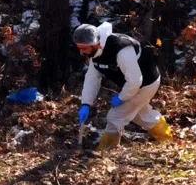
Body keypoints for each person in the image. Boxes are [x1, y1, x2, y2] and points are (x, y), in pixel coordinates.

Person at [74, 22, 173, 150]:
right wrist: (86, 103)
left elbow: (135, 81)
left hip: (146, 83)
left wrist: (122, 97)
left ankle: (106, 151)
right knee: (141, 115)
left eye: (84, 48)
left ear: (96, 44)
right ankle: (167, 140)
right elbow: (92, 79)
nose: (81, 52)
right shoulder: (94, 53)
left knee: (115, 117)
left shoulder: (121, 49)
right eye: (79, 48)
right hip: (134, 84)